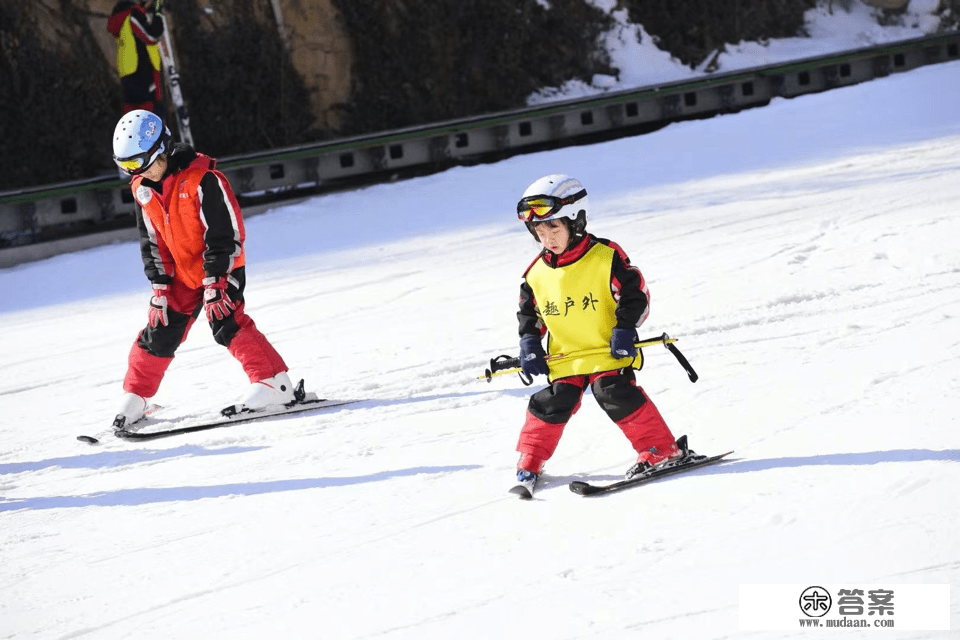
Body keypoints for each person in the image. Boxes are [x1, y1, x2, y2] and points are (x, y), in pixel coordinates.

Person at [110, 109, 295, 429]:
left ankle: (274, 383)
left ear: (162, 150)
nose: (137, 172)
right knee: (161, 326)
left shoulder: (203, 179)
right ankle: (137, 395)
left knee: (225, 319)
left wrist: (217, 281)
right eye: (127, 167)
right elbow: (152, 242)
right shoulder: (142, 188)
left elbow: (225, 232)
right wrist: (160, 288)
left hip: (219, 267)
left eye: (141, 163)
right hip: (180, 274)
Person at [512, 174, 688, 496]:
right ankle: (530, 460)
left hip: (608, 350)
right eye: (539, 230)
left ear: (576, 221)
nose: (547, 237)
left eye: (554, 227)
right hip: (567, 356)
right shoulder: (536, 274)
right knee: (552, 402)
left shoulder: (606, 257)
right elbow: (529, 313)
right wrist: (529, 344)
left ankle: (660, 449)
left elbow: (636, 295)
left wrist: (624, 328)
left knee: (613, 391)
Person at [107, 0, 167, 118]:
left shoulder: (122, 18)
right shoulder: (132, 15)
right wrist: (158, 14)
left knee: (133, 115)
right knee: (148, 115)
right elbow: (151, 36)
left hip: (129, 73)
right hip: (140, 72)